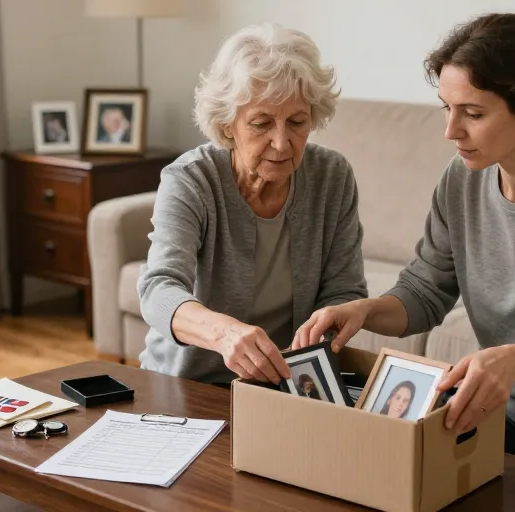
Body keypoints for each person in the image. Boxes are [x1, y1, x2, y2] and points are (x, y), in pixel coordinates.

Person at [291, 13, 515, 512]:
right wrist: (363, 310)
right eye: (446, 108)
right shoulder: (462, 180)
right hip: (504, 415)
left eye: (472, 112)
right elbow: (424, 293)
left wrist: (510, 360)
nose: (451, 130)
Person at [136, 23, 368, 386]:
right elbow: (158, 290)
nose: (281, 142)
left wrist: (328, 324)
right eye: (261, 123)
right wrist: (223, 333)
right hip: (186, 384)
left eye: (297, 122)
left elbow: (345, 289)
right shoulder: (191, 180)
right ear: (228, 124)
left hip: (284, 385)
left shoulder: (332, 176)